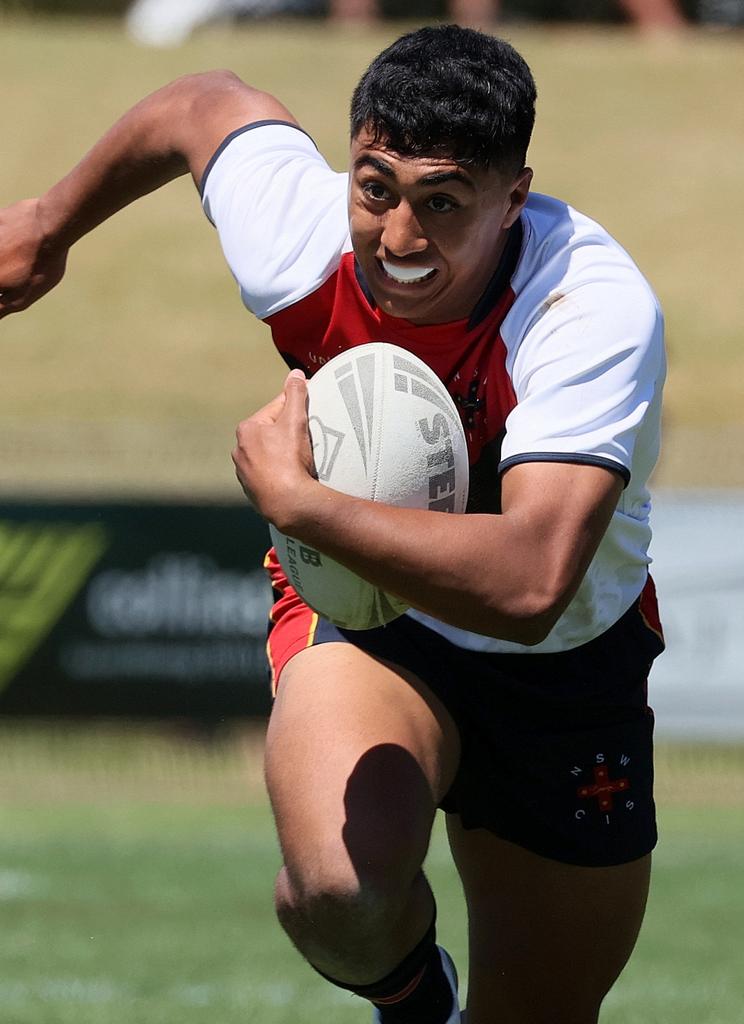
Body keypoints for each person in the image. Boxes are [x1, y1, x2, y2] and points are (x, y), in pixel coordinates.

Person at [0, 26, 666, 1023]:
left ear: (513, 201)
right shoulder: (304, 240)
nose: (398, 236)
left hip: (562, 666)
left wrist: (300, 501)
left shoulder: (586, 308)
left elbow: (531, 585)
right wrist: (50, 223)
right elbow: (201, 104)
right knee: (339, 891)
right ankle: (413, 1003)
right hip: (371, 620)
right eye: (376, 187)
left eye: (442, 203)